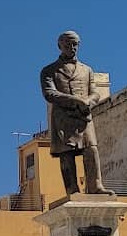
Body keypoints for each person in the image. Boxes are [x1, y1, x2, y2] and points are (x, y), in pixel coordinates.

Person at [38, 31, 113, 196]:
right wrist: (75, 100)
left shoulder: (87, 70)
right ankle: (72, 190)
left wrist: (88, 102)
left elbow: (95, 93)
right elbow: (50, 93)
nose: (71, 47)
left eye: (74, 44)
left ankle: (95, 186)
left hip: (83, 117)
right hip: (63, 118)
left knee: (91, 149)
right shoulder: (49, 71)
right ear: (60, 46)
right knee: (67, 154)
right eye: (67, 44)